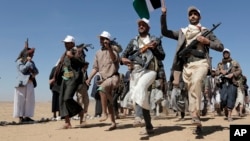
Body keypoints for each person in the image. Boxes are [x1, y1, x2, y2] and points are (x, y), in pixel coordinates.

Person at [161, 4, 224, 134]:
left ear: (199, 16)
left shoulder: (206, 31)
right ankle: (197, 122)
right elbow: (164, 32)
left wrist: (206, 41)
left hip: (201, 63)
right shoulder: (183, 32)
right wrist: (164, 15)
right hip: (186, 66)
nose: (193, 16)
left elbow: (220, 46)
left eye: (195, 14)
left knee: (196, 82)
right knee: (191, 92)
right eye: (190, 14)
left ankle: (194, 113)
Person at [121, 18, 165, 134]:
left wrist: (153, 49)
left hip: (150, 71)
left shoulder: (154, 40)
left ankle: (138, 117)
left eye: (143, 25)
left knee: (140, 88)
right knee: (141, 98)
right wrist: (124, 60)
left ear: (148, 27)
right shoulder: (133, 41)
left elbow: (162, 56)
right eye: (139, 25)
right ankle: (149, 126)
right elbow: (123, 55)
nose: (141, 26)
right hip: (135, 72)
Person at [86, 31, 120, 131]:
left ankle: (103, 113)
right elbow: (95, 68)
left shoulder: (114, 50)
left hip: (113, 77)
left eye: (103, 38)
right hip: (103, 79)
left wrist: (109, 47)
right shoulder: (97, 53)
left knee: (101, 89)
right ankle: (113, 122)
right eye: (100, 38)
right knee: (109, 100)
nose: (101, 40)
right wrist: (89, 78)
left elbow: (114, 59)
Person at [52, 35, 85, 129]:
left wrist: (72, 57)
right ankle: (67, 122)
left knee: (67, 98)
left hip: (74, 77)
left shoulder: (78, 50)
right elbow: (61, 65)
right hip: (65, 77)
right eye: (65, 43)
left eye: (67, 43)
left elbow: (82, 62)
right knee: (62, 99)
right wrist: (54, 77)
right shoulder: (64, 53)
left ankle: (80, 111)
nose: (65, 44)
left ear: (72, 43)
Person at [14, 40, 39, 123]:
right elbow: (23, 70)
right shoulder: (19, 61)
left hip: (30, 82)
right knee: (20, 100)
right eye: (31, 54)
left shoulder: (32, 62)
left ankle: (27, 116)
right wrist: (28, 62)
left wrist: (34, 72)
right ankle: (20, 117)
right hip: (21, 83)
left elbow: (37, 71)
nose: (33, 56)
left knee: (30, 100)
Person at [216, 48, 242, 122]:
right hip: (223, 83)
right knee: (223, 99)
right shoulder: (220, 64)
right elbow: (215, 72)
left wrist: (233, 74)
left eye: (227, 53)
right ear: (223, 54)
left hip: (232, 83)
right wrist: (221, 71)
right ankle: (225, 109)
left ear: (229, 54)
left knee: (231, 98)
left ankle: (229, 115)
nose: (226, 54)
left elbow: (240, 70)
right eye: (224, 53)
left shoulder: (235, 63)